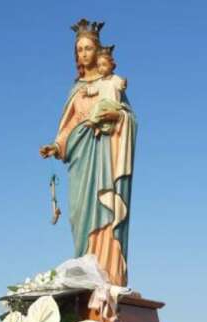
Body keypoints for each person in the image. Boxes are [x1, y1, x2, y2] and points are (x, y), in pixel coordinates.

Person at [39, 19, 136, 287]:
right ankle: (86, 268)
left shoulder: (112, 83)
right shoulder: (77, 90)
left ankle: (108, 275)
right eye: (79, 49)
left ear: (98, 50)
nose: (83, 53)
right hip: (80, 158)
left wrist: (115, 114)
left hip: (104, 155)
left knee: (105, 208)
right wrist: (56, 146)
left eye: (88, 48)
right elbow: (69, 126)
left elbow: (128, 118)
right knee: (79, 213)